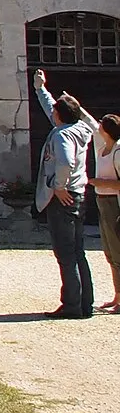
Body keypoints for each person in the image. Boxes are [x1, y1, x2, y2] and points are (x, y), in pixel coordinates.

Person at [33, 68, 96, 319]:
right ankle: (84, 304)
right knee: (77, 251)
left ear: (60, 115)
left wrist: (58, 186)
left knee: (65, 253)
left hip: (65, 196)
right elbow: (53, 110)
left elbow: (65, 162)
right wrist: (40, 89)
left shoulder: (62, 135)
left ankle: (72, 305)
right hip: (79, 193)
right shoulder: (80, 128)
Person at [93, 112, 120, 314]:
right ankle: (117, 295)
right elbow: (87, 121)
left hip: (114, 203)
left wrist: (102, 183)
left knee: (118, 251)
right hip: (102, 201)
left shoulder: (118, 152)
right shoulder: (103, 148)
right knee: (110, 252)